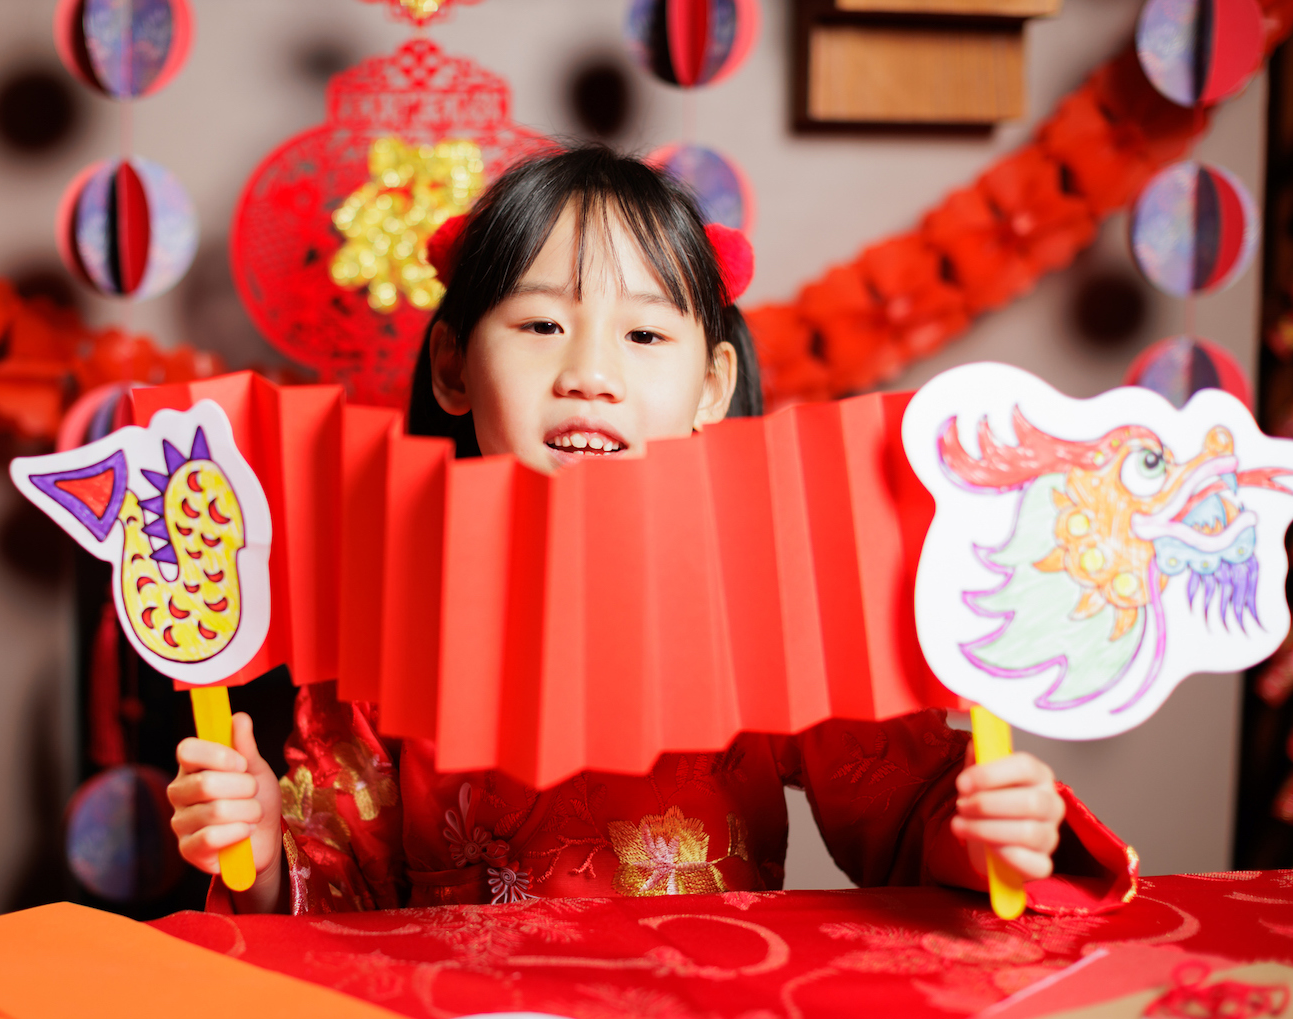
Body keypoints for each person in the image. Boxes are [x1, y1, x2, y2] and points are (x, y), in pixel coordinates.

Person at [168, 146, 1135, 916]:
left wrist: (982, 833)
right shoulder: (389, 603)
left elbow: (905, 800)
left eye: (643, 335)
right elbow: (338, 878)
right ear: (455, 367)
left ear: (710, 386)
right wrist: (255, 849)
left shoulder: (771, 588)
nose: (590, 371)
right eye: (542, 326)